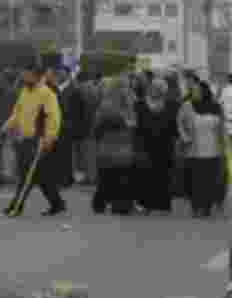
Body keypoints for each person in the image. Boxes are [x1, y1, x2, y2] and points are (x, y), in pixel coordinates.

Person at [0, 61, 65, 217]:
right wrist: (4, 129)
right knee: (41, 175)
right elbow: (16, 114)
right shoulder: (25, 91)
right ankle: (57, 204)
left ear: (37, 76)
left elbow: (54, 117)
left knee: (26, 175)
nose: (23, 76)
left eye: (27, 74)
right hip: (25, 139)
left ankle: (16, 206)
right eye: (23, 73)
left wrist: (50, 138)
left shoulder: (47, 94)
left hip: (39, 140)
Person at [178, 79, 226, 218]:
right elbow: (179, 122)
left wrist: (223, 144)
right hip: (194, 150)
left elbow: (221, 127)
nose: (194, 93)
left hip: (213, 150)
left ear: (204, 91)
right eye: (193, 91)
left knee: (210, 180)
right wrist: (185, 136)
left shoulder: (216, 106)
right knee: (195, 180)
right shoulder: (187, 106)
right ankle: (196, 206)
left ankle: (207, 206)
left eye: (197, 90)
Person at [91, 77, 139, 215]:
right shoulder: (127, 103)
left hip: (112, 147)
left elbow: (96, 127)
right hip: (120, 146)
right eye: (123, 86)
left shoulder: (107, 104)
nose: (126, 89)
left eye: (127, 86)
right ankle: (118, 205)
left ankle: (102, 203)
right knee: (118, 176)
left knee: (110, 176)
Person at [135, 78, 179, 214]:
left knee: (164, 175)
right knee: (145, 174)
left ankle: (163, 205)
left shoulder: (172, 105)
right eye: (154, 87)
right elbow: (136, 125)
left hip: (165, 145)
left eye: (160, 88)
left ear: (164, 91)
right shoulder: (140, 104)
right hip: (145, 144)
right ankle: (145, 204)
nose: (156, 90)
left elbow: (175, 126)